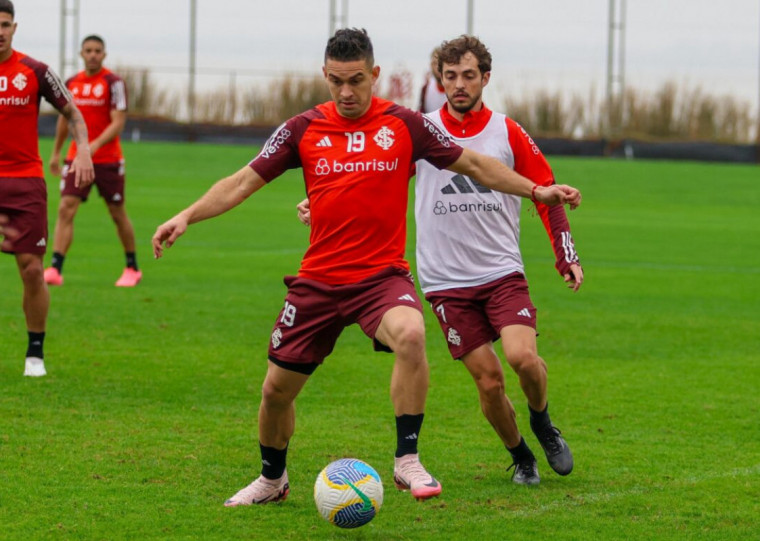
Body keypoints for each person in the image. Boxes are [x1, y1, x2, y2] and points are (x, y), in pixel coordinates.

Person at [152, 28, 581, 507]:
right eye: (336, 81)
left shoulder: (404, 125)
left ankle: (407, 459)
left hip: (381, 278)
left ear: (375, 75)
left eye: (356, 80)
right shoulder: (302, 129)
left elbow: (476, 165)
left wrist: (535, 190)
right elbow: (241, 182)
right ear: (325, 76)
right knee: (275, 392)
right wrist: (186, 214)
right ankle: (272, 480)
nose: (346, 92)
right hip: (317, 280)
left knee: (412, 334)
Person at [418, 35, 582, 485]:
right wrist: (320, 203)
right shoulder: (420, 130)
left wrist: (565, 255)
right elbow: (377, 177)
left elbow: (547, 190)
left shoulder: (506, 131)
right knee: (488, 382)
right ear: (440, 80)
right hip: (446, 282)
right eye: (450, 76)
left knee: (523, 359)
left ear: (485, 78)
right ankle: (521, 456)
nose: (458, 85)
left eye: (468, 75)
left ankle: (542, 422)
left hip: (500, 272)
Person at [0, 0, 94, 377]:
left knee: (31, 270)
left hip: (24, 182)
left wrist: (83, 149)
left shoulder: (35, 71)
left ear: (14, 28)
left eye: (4, 24)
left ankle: (34, 352)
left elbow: (72, 111)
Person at [45, 34, 140, 287]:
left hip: (108, 159)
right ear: (81, 54)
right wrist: (56, 152)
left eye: (98, 50)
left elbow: (118, 122)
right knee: (66, 207)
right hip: (76, 159)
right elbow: (64, 120)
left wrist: (93, 146)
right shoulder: (71, 83)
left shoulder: (114, 82)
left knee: (117, 212)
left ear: (104, 54)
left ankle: (132, 267)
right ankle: (55, 267)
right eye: (88, 50)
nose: (93, 54)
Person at [418, 46, 446, 113]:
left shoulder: (457, 88)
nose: (438, 67)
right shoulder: (425, 89)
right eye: (435, 63)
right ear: (430, 65)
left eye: (441, 63)